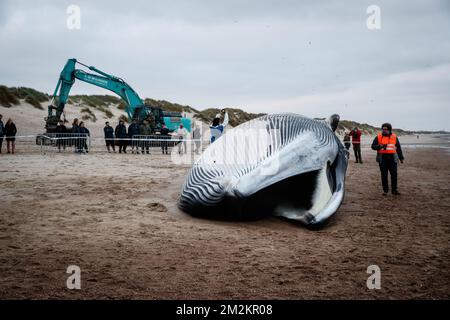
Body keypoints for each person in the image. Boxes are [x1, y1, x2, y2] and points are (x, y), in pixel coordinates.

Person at [371, 123, 404, 196]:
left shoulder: (394, 137)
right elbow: (373, 146)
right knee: (384, 175)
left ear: (389, 130)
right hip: (382, 158)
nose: (384, 131)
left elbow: (398, 148)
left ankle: (394, 190)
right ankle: (385, 190)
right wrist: (379, 146)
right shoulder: (378, 137)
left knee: (394, 174)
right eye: (383, 129)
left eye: (386, 129)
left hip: (393, 158)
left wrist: (401, 158)